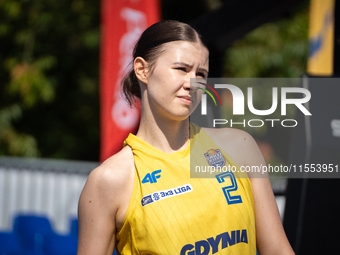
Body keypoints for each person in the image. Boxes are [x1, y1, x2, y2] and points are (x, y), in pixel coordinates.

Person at [77, 20, 294, 255]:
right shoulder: (110, 180)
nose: (193, 83)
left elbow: (278, 250)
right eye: (181, 69)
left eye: (201, 73)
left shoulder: (239, 147)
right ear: (142, 70)